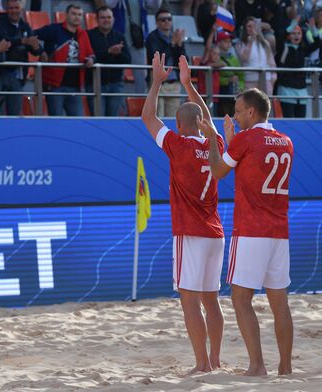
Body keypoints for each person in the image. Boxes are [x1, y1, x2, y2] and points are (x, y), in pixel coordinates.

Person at [197, 88, 294, 376]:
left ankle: (257, 366)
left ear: (252, 112)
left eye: (238, 112)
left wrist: (213, 139)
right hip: (279, 231)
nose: (236, 117)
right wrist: (232, 141)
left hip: (251, 230)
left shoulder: (246, 139)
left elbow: (217, 170)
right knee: (280, 305)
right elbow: (249, 162)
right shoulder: (285, 141)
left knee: (241, 300)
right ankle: (286, 368)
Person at [142, 52, 225, 374]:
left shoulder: (178, 144)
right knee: (211, 300)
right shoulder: (215, 142)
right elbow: (207, 119)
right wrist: (190, 85)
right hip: (215, 231)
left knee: (189, 300)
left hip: (190, 232)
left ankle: (202, 364)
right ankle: (215, 360)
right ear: (202, 126)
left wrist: (157, 82)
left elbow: (148, 118)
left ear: (178, 125)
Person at [34, 4, 95, 116]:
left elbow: (91, 53)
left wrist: (90, 59)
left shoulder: (83, 34)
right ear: (66, 15)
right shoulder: (54, 29)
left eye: (80, 15)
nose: (77, 17)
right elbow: (32, 36)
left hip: (75, 87)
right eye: (74, 14)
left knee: (78, 123)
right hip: (55, 86)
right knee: (56, 123)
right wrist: (41, 52)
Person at [0, 0, 43, 115]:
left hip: (18, 74)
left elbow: (35, 48)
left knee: (14, 114)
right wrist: (23, 41)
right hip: (1, 73)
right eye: (11, 8)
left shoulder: (25, 25)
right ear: (6, 9)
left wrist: (36, 47)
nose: (14, 11)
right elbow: (3, 40)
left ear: (21, 10)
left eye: (16, 8)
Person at [86, 6, 130, 116]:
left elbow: (128, 60)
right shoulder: (88, 35)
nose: (106, 20)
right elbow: (88, 58)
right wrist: (109, 51)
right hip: (95, 85)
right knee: (98, 121)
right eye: (103, 17)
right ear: (97, 20)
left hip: (116, 85)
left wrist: (118, 53)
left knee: (113, 121)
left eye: (109, 17)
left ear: (113, 19)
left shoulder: (120, 36)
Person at [145, 8, 187, 117]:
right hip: (159, 84)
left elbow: (183, 60)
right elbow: (157, 57)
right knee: (159, 118)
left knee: (173, 118)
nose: (166, 21)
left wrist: (179, 45)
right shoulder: (152, 37)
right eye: (163, 20)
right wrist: (172, 43)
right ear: (157, 22)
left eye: (169, 19)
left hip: (174, 84)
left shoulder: (175, 36)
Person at [276, 22, 319, 117]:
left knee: (301, 121)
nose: (296, 35)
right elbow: (280, 38)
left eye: (299, 33)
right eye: (293, 33)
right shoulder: (283, 47)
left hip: (301, 90)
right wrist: (292, 25)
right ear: (289, 36)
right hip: (286, 90)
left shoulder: (303, 49)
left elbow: (317, 43)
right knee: (289, 122)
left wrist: (313, 30)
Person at [236, 16, 277, 97]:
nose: (252, 29)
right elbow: (244, 59)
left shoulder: (265, 43)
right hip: (250, 80)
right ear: (245, 28)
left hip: (266, 79)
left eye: (254, 26)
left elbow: (272, 62)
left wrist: (273, 78)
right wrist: (251, 40)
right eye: (249, 26)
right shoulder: (240, 44)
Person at [217, 30, 244, 117]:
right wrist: (228, 80)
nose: (228, 44)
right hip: (221, 93)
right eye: (225, 41)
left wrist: (240, 88)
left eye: (229, 41)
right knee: (223, 116)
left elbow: (241, 75)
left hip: (233, 93)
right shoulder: (214, 57)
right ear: (219, 43)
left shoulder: (233, 58)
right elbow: (213, 78)